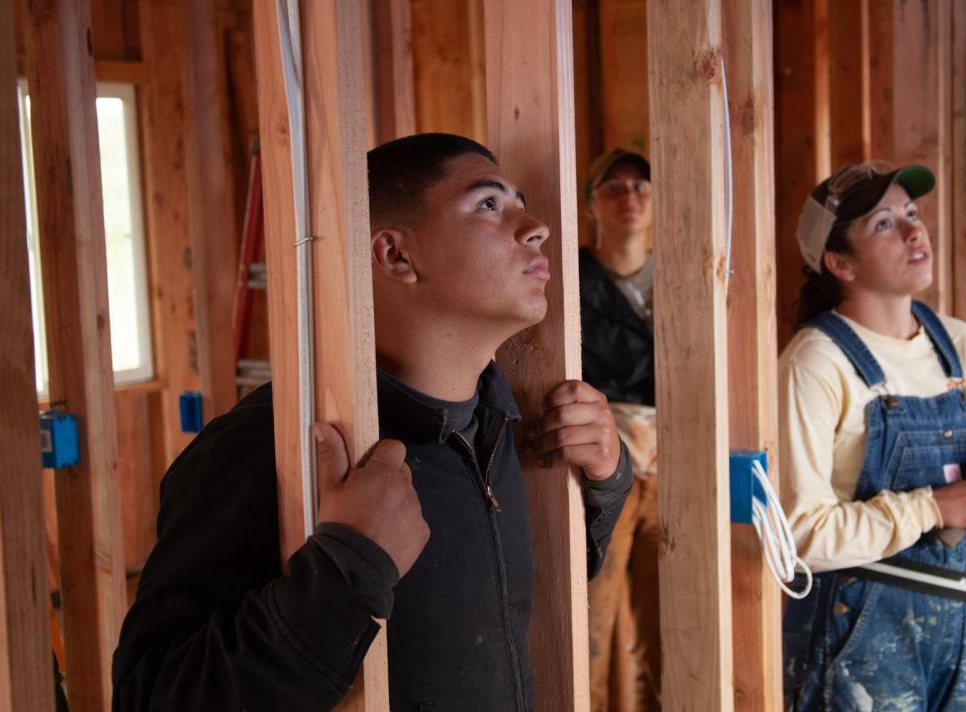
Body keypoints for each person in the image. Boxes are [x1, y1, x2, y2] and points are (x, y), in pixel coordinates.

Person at [112, 133, 634, 712]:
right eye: (489, 205)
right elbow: (151, 695)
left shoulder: (501, 426)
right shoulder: (267, 448)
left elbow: (508, 599)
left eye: (519, 201)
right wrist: (347, 568)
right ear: (394, 256)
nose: (535, 225)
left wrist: (605, 484)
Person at [778, 161, 966, 710]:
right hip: (857, 640)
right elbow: (800, 538)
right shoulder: (816, 362)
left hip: (958, 624)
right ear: (839, 262)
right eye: (884, 224)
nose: (916, 232)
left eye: (912, 214)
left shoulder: (955, 342)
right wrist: (932, 508)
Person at [578, 149, 662, 712]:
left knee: (674, 630)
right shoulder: (573, 278)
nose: (629, 198)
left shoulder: (685, 272)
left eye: (640, 187)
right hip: (600, 473)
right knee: (592, 627)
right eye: (613, 189)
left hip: (676, 465)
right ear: (591, 205)